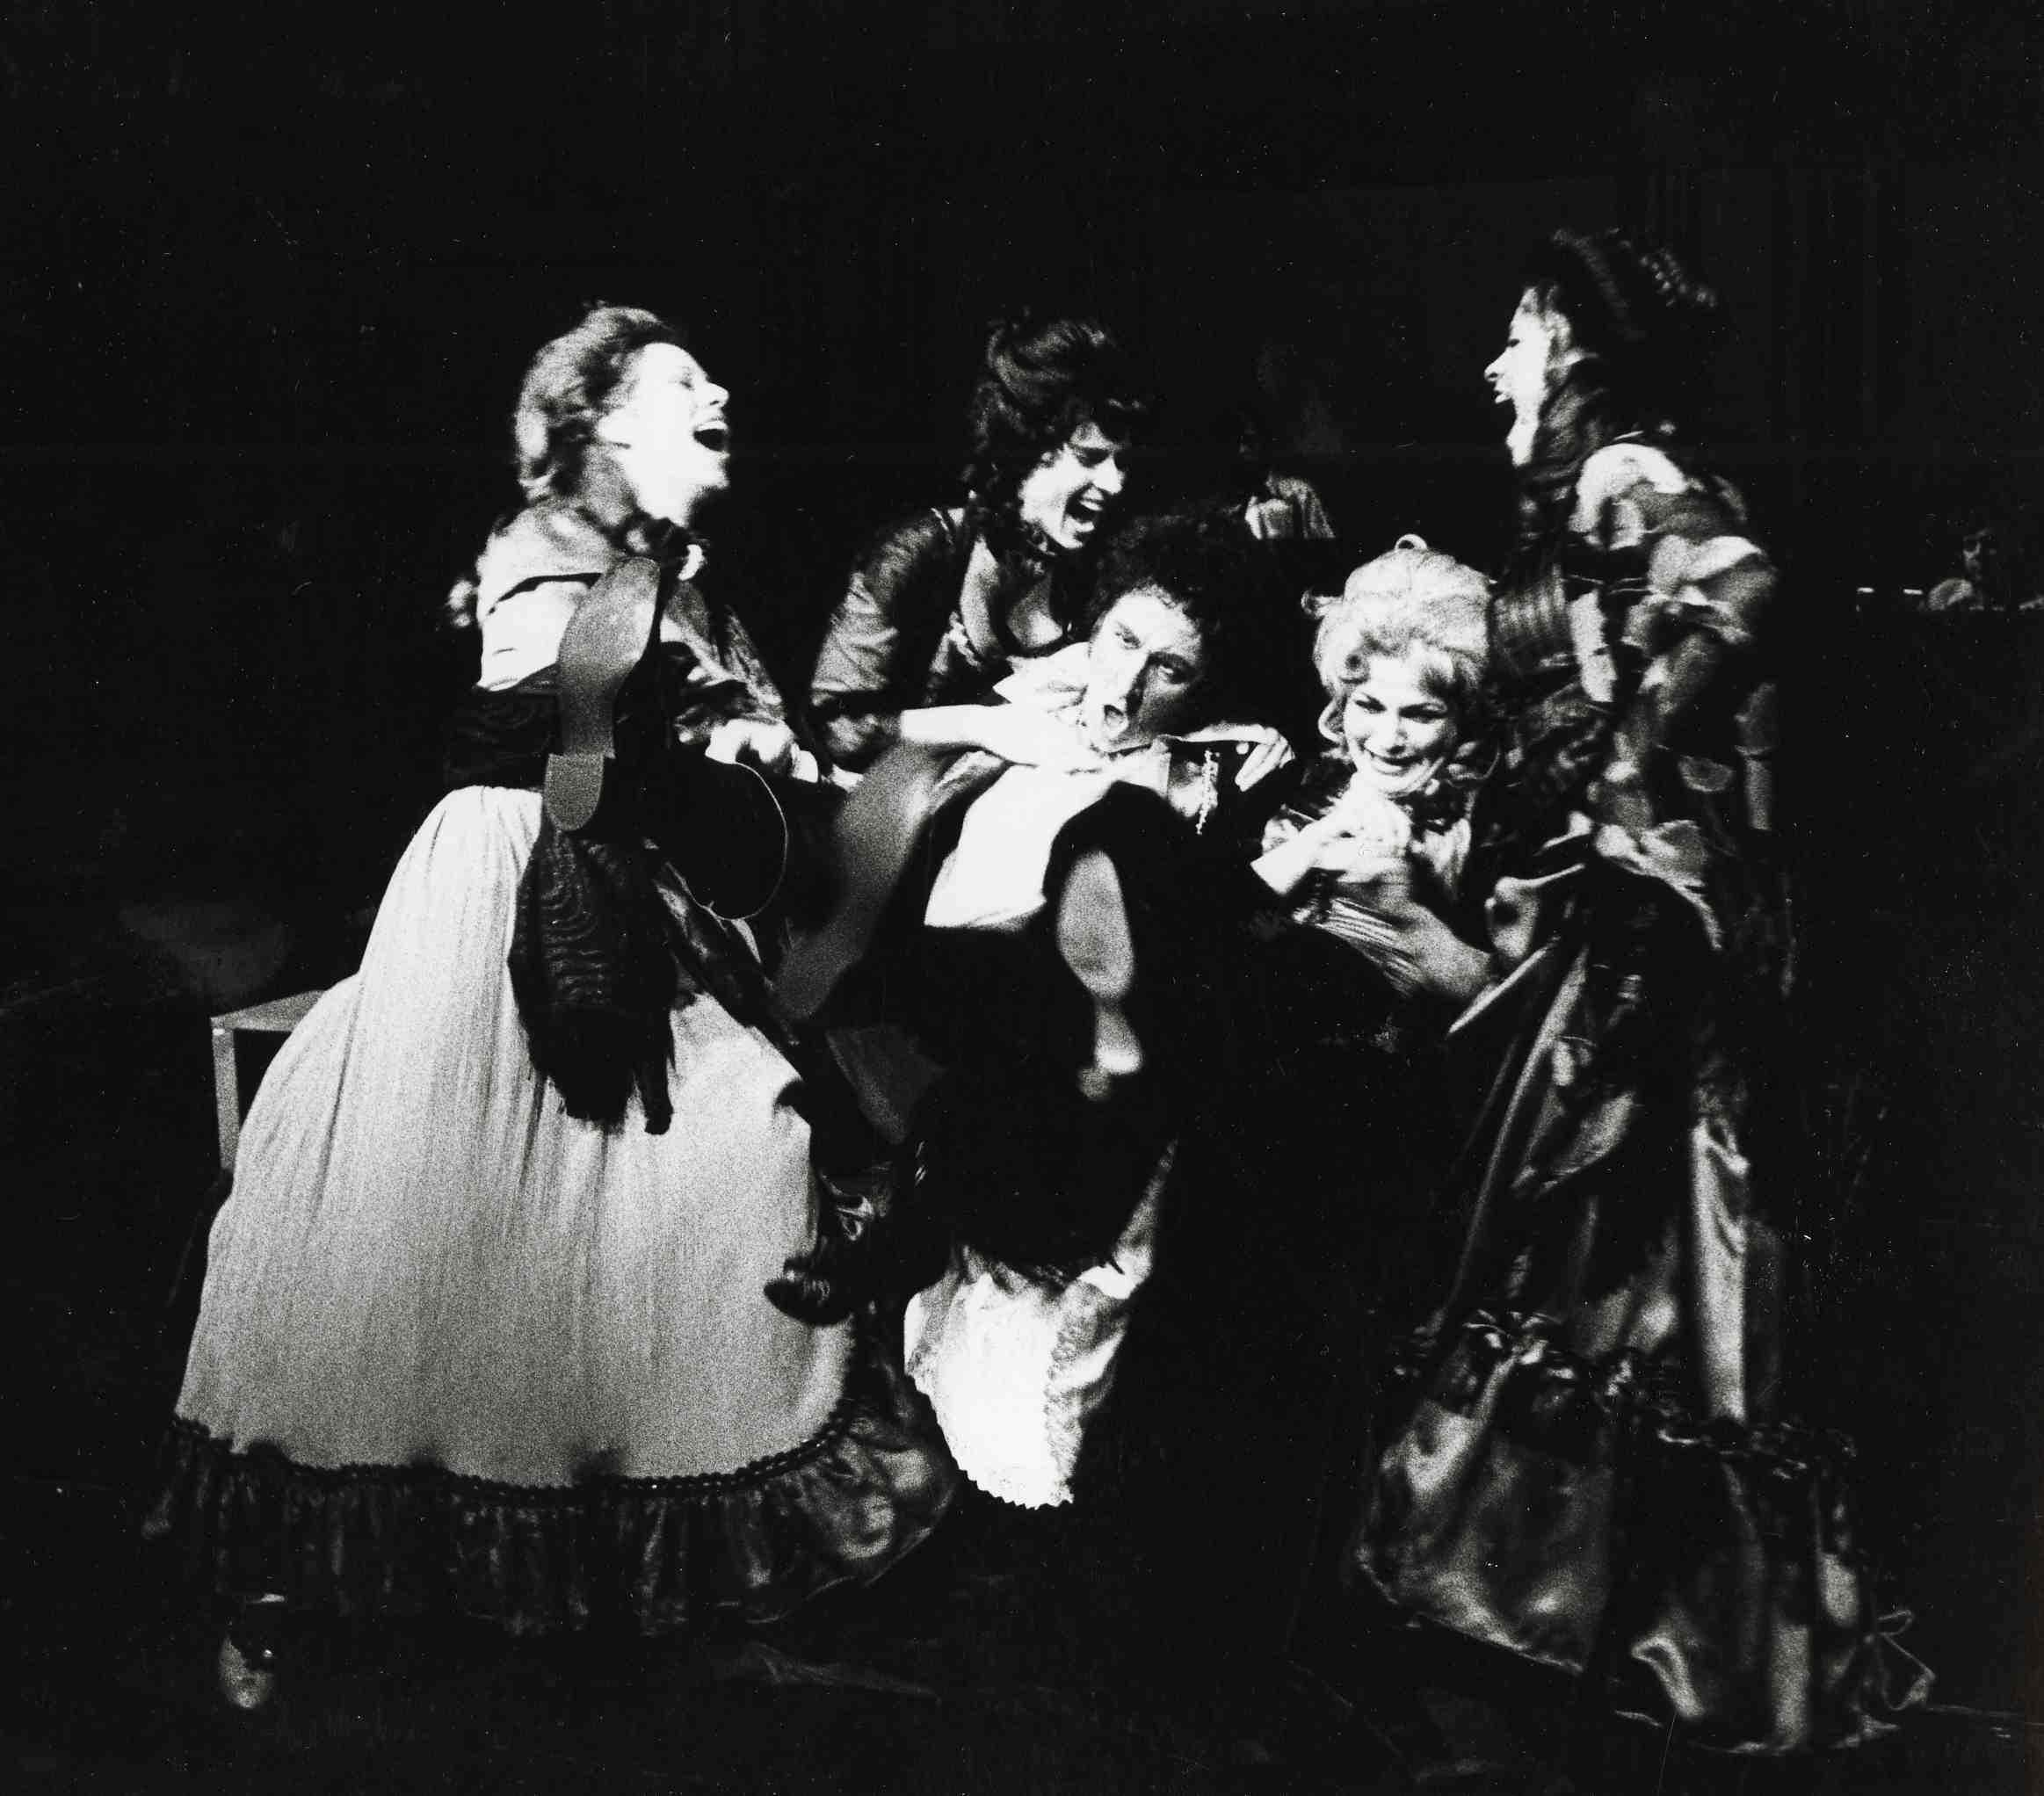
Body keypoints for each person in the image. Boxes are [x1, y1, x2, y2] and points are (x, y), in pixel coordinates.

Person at [144, 306, 954, 1706]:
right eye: (682, 382)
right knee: (436, 1226)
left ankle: (661, 1579)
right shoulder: (543, 550)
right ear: (605, 422)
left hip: (649, 892)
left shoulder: (686, 579)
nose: (719, 393)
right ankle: (291, 1579)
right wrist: (667, 721)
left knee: (723, 1177)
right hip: (516, 890)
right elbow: (535, 710)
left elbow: (728, 752)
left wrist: (773, 752)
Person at [1352, 231, 1931, 1757]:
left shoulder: (1628, 469)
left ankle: (1593, 1612)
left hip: (1641, 950)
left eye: (1517, 336)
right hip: (1619, 927)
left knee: (1629, 1263)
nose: (1494, 365)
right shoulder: (1604, 491)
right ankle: (1597, 1605)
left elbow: (1740, 580)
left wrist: (1628, 772)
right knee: (1628, 1280)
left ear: (1573, 357)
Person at [807, 315, 1156, 773]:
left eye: (1121, 463)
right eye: (1090, 457)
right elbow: (839, 727)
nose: (1114, 483)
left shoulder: (1095, 571)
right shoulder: (921, 550)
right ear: (1024, 449)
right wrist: (979, 725)